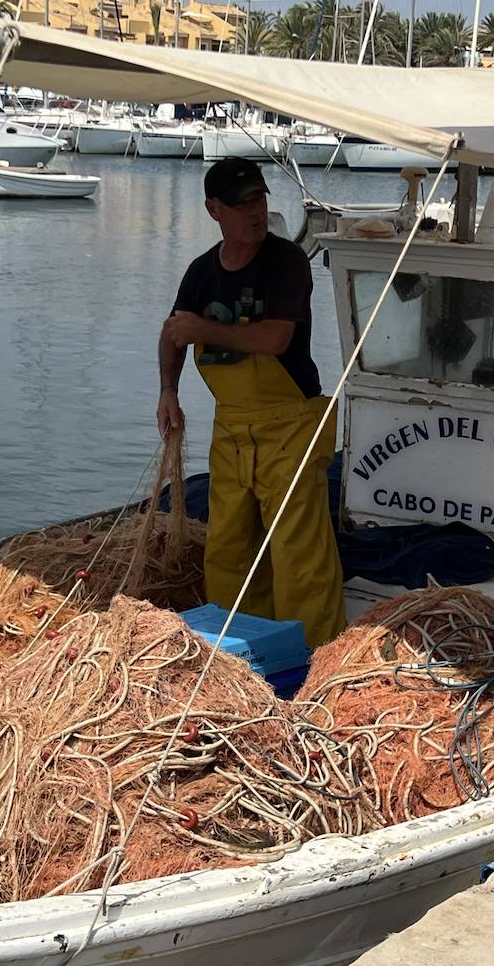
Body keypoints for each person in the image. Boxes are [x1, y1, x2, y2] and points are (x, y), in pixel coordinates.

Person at [158, 157, 345, 648]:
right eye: (243, 204)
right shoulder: (202, 271)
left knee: (298, 551)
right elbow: (173, 332)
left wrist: (204, 329)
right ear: (213, 210)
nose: (256, 211)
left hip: (291, 425)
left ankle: (313, 658)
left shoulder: (285, 261)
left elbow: (276, 338)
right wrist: (168, 390)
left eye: (260, 199)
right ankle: (237, 650)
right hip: (232, 429)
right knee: (227, 548)